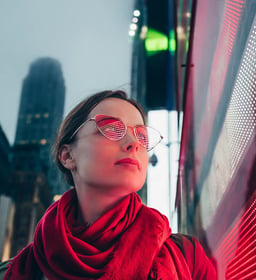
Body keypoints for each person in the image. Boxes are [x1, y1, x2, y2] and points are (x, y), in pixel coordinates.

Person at [1, 90, 216, 279]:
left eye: (141, 136)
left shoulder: (189, 258)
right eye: (111, 129)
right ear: (67, 156)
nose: (133, 144)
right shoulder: (17, 272)